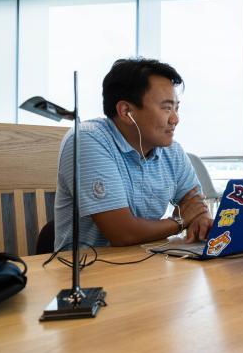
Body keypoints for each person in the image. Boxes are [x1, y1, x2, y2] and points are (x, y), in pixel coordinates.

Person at [54, 58, 213, 250]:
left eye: (176, 108)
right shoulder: (87, 139)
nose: (175, 119)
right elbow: (122, 233)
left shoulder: (172, 151)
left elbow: (194, 203)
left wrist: (201, 218)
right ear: (126, 111)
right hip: (90, 270)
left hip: (147, 264)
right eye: (166, 108)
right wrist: (179, 222)